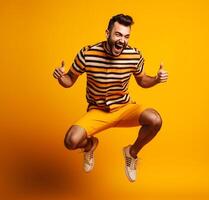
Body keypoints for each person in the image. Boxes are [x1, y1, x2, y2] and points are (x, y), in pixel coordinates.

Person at [53, 14, 168, 182]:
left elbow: (142, 80)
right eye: (118, 34)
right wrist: (60, 77)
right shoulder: (88, 54)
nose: (122, 40)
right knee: (71, 141)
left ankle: (131, 154)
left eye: (126, 36)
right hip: (98, 111)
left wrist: (156, 79)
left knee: (155, 120)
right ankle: (90, 145)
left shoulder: (134, 55)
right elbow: (69, 80)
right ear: (107, 33)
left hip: (124, 108)